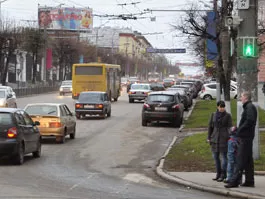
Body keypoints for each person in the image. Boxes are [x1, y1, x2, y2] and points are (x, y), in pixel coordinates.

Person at [225, 91, 257, 188]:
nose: (240, 98)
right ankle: (249, 180)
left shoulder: (250, 107)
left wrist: (240, 130)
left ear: (246, 98)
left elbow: (250, 120)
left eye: (242, 97)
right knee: (247, 160)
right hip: (247, 136)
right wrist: (238, 129)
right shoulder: (248, 107)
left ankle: (234, 181)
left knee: (240, 159)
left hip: (245, 137)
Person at [208, 100, 232, 182]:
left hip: (224, 138)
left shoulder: (228, 116)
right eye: (220, 107)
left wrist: (229, 137)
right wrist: (209, 137)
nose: (222, 108)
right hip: (214, 138)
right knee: (215, 157)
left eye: (223, 107)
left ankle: (223, 174)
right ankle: (218, 174)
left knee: (224, 157)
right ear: (217, 107)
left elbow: (230, 127)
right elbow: (210, 127)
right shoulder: (213, 115)